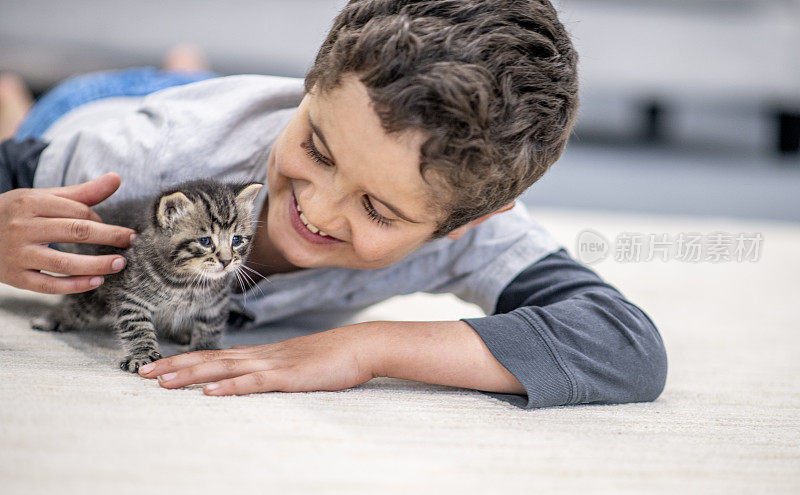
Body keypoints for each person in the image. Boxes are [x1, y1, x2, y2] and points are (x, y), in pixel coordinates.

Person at [0, 0, 667, 409]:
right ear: (311, 85)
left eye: (378, 208)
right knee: (29, 123)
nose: (318, 210)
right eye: (317, 148)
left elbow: (626, 344)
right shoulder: (154, 157)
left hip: (214, 105)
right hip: (92, 106)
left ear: (472, 219)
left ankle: (189, 70)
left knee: (195, 85)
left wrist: (371, 347)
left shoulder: (467, 217)